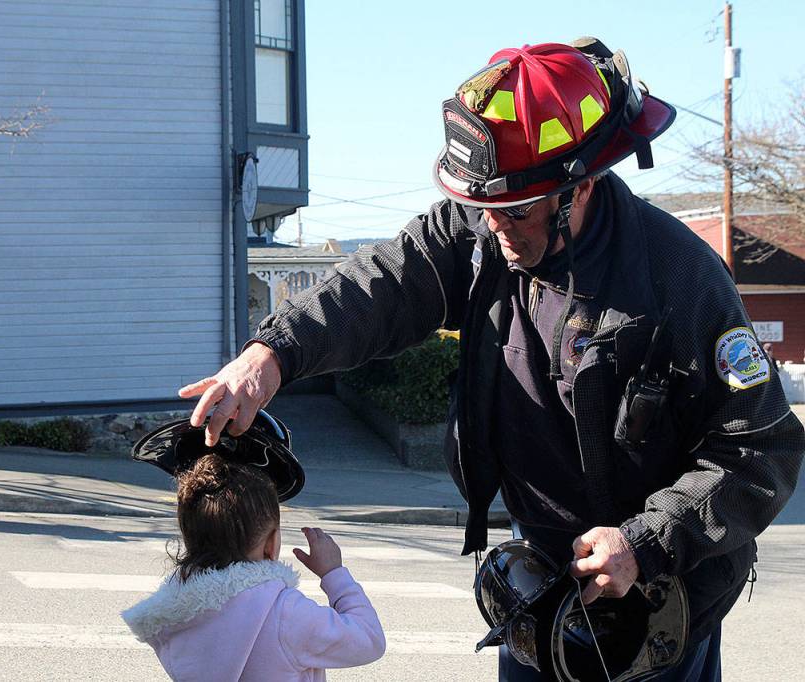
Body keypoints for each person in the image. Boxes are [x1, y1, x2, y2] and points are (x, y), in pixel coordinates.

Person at [179, 37, 804, 681]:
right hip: (544, 581)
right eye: (483, 208)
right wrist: (272, 353)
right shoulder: (480, 229)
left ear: (580, 185)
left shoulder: (680, 281)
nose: (496, 226)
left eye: (518, 210)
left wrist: (644, 542)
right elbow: (379, 287)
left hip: (654, 597)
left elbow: (762, 450)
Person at [121, 453, 386, 681]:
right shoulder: (283, 613)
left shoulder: (178, 615)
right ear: (271, 544)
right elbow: (369, 639)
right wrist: (334, 574)